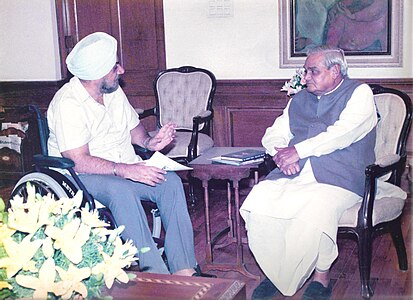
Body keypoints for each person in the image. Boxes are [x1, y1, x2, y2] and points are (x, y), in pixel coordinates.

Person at [240, 46, 406, 299]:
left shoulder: (358, 93)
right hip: (294, 172)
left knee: (316, 208)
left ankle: (322, 277)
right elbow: (274, 133)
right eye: (305, 71)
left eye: (312, 71)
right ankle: (276, 273)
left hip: (341, 176)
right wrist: (281, 154)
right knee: (259, 200)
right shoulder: (300, 98)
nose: (305, 77)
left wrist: (297, 151)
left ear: (335, 71)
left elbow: (343, 133)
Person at [47, 32, 199, 276]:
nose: (122, 70)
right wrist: (126, 170)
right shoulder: (68, 103)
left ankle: (183, 269)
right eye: (115, 66)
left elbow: (135, 132)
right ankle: (155, 272)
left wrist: (152, 143)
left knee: (169, 182)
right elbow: (79, 160)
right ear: (97, 73)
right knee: (121, 189)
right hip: (82, 175)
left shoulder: (113, 92)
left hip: (123, 168)